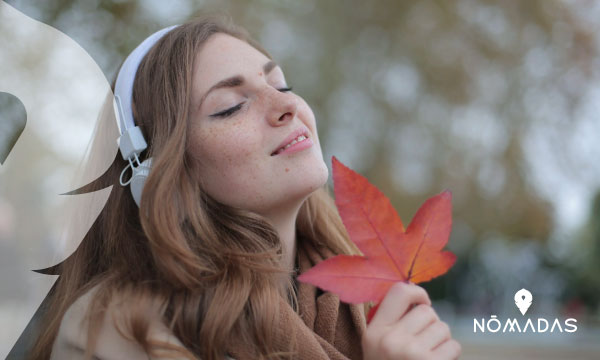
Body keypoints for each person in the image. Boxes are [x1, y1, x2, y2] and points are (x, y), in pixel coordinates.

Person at [30, 15, 462, 360]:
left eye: (281, 85)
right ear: (157, 173)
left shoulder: (371, 305)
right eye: (231, 107)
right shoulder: (115, 329)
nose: (287, 105)